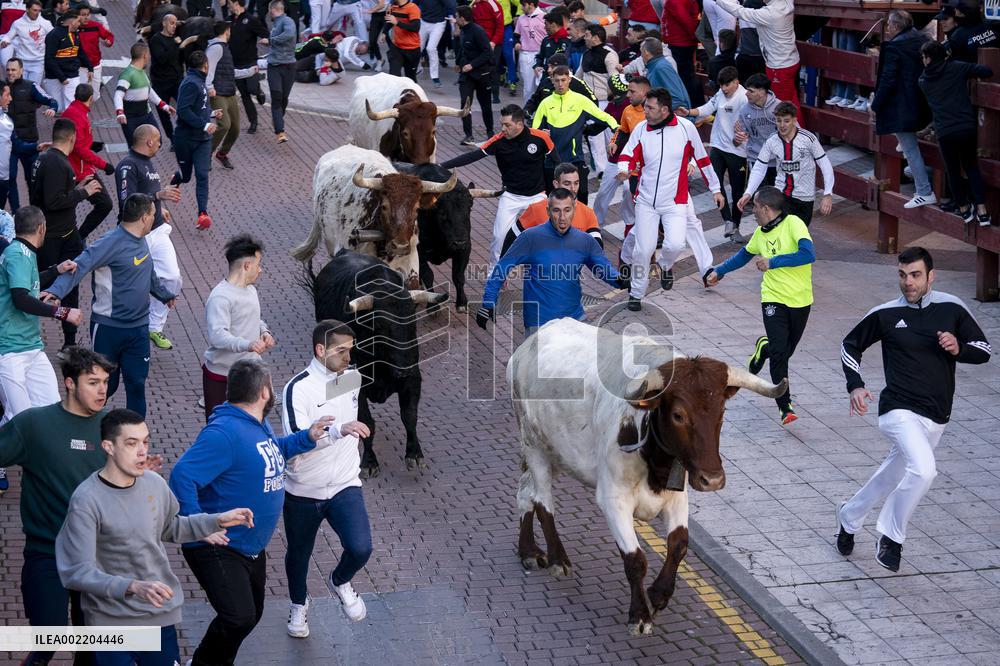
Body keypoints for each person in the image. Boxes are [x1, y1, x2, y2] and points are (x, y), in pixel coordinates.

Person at [168, 359, 336, 666]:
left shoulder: (258, 424)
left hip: (250, 547)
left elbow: (273, 453)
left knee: (250, 615)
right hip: (218, 546)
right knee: (238, 616)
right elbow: (182, 475)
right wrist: (199, 526)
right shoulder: (224, 433)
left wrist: (307, 438)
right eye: (271, 386)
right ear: (263, 392)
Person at [56, 408, 255, 666]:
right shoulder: (86, 500)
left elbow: (169, 528)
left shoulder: (154, 484)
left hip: (158, 618)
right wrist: (133, 586)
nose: (142, 451)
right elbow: (76, 572)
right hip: (110, 623)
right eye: (131, 443)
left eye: (145, 441)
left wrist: (214, 520)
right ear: (108, 447)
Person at [836, 246, 991, 572]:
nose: (908, 282)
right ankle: (890, 537)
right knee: (924, 469)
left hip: (937, 416)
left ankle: (849, 516)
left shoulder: (952, 308)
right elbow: (849, 345)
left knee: (891, 475)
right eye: (903, 275)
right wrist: (856, 385)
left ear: (930, 276)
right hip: (898, 410)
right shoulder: (885, 314)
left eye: (916, 275)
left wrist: (958, 347)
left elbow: (983, 350)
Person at [0, 347, 117, 664]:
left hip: (96, 558)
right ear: (69, 383)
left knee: (91, 650)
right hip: (47, 554)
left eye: (105, 381)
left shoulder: (112, 426)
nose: (102, 389)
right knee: (46, 642)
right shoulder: (34, 425)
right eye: (93, 382)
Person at [47, 194, 178, 417]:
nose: (157, 220)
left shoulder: (142, 240)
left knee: (137, 384)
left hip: (138, 329)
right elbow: (79, 265)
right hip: (108, 329)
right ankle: (82, 426)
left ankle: (136, 440)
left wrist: (163, 294)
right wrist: (55, 291)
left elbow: (148, 272)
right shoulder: (109, 243)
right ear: (145, 217)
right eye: (154, 216)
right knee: (106, 386)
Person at [281, 320, 373, 636]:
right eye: (341, 350)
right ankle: (298, 606)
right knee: (299, 555)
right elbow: (296, 440)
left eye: (351, 349)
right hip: (304, 491)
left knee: (361, 548)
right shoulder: (298, 388)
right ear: (320, 350)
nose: (349, 357)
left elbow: (341, 399)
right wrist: (337, 430)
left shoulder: (350, 379)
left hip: (345, 484)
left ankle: (340, 580)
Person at [705, 186, 813, 425]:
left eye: (755, 206)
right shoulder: (760, 232)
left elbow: (808, 255)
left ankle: (763, 348)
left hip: (801, 299)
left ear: (766, 208)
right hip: (773, 298)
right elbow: (744, 255)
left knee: (784, 351)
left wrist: (773, 262)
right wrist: (719, 272)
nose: (752, 211)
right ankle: (785, 407)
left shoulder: (794, 224)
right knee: (780, 358)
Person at [615, 87, 724, 310]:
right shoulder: (641, 130)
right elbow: (626, 154)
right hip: (646, 202)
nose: (644, 111)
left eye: (649, 107)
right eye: (645, 106)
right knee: (643, 250)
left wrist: (716, 188)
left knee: (674, 245)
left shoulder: (686, 128)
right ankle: (636, 294)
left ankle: (665, 265)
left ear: (664, 110)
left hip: (675, 202)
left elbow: (702, 159)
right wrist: (624, 168)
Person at [478, 187, 622, 337]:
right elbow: (501, 268)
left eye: (567, 210)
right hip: (539, 324)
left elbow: (603, 269)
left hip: (575, 320)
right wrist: (488, 303)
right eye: (556, 210)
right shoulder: (530, 238)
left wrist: (622, 281)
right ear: (548, 211)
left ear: (574, 210)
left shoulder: (584, 240)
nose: (562, 217)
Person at [441, 103, 552, 265]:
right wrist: (441, 166)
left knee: (547, 237)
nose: (503, 129)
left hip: (537, 197)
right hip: (510, 196)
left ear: (520, 124)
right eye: (501, 124)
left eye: (507, 125)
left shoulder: (541, 138)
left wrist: (555, 192)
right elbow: (473, 156)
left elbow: (556, 163)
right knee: (499, 237)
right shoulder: (498, 141)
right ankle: (497, 272)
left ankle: (546, 270)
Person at [0, 204, 80, 428]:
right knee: (20, 419)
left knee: (50, 409)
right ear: (42, 228)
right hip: (10, 352)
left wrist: (56, 270)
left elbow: (27, 286)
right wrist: (63, 312)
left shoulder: (23, 251)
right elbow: (21, 298)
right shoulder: (17, 254)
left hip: (32, 348)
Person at [29, 117, 102, 348]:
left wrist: (78, 189)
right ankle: (43, 338)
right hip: (54, 238)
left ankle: (68, 342)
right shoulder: (57, 163)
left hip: (64, 236)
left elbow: (56, 195)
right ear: (72, 138)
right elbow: (53, 201)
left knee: (66, 283)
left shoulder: (46, 159)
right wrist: (84, 193)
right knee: (47, 287)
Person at [116, 124, 183, 351]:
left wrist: (159, 206)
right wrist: (157, 195)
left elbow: (148, 193)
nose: (160, 144)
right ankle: (125, 330)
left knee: (172, 277)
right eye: (158, 140)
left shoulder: (149, 163)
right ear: (149, 141)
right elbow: (127, 202)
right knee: (132, 284)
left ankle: (154, 326)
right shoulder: (127, 165)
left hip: (157, 229)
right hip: (135, 236)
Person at [918, 40, 993, 227]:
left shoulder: (923, 81)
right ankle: (982, 210)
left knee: (952, 171)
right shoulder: (956, 67)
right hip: (966, 126)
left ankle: (963, 209)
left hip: (945, 131)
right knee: (972, 167)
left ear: (927, 59)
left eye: (923, 57)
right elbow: (985, 71)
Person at [203, 234, 275, 419]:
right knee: (220, 429)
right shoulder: (221, 297)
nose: (261, 270)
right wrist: (248, 344)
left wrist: (264, 331)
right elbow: (218, 335)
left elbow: (254, 318)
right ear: (246, 266)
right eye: (258, 264)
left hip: (250, 374)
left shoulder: (251, 290)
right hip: (223, 377)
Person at [872, 9, 934, 210]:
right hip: (921, 101)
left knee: (910, 148)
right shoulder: (922, 38)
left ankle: (924, 191)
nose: (887, 28)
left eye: (889, 25)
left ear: (897, 27)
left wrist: (876, 104)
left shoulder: (894, 48)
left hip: (902, 105)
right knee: (908, 145)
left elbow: (888, 79)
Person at [677, 65, 748, 241]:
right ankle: (728, 221)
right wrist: (689, 112)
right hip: (718, 147)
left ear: (736, 82)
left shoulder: (744, 99)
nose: (724, 89)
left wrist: (743, 136)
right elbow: (707, 108)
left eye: (727, 85)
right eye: (721, 85)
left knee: (738, 192)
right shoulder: (720, 94)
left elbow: (750, 123)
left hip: (738, 152)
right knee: (714, 184)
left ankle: (736, 226)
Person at [738, 101, 834, 227]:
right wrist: (748, 192)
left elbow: (825, 165)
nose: (782, 125)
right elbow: (759, 168)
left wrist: (828, 194)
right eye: (778, 120)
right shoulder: (772, 141)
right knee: (776, 232)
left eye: (786, 121)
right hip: (781, 195)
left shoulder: (808, 139)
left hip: (804, 198)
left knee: (796, 238)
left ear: (794, 120)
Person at [531, 64, 617, 204]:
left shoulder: (580, 100)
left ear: (569, 80)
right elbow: (534, 132)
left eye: (563, 80)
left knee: (582, 195)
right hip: (551, 161)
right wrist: (541, 133)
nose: (560, 84)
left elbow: (606, 118)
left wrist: (616, 132)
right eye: (557, 80)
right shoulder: (545, 103)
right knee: (552, 200)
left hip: (575, 159)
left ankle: (581, 225)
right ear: (552, 80)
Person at [716, 0, 799, 121]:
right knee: (792, 102)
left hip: (779, 66)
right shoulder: (786, 3)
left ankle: (793, 136)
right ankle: (799, 132)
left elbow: (740, 11)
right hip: (790, 60)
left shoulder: (769, 14)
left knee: (784, 108)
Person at [500, 161, 601, 256]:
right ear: (556, 184)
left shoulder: (588, 213)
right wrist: (502, 269)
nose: (573, 189)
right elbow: (513, 237)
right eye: (567, 184)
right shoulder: (536, 209)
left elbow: (597, 250)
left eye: (576, 183)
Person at [169, 50, 219, 231]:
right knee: (187, 175)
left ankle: (202, 214)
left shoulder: (199, 81)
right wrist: (205, 125)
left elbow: (199, 107)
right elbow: (183, 111)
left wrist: (211, 114)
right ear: (206, 65)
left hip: (203, 141)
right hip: (185, 138)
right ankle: (177, 177)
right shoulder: (190, 83)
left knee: (203, 175)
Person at [593, 74, 647, 229]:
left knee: (628, 192)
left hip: (635, 162)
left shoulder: (650, 112)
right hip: (616, 159)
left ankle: (630, 225)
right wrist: (614, 142)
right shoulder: (626, 108)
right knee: (603, 192)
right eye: (628, 91)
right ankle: (596, 226)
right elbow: (621, 130)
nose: (629, 95)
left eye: (632, 91)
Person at [60, 84, 112, 242]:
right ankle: (78, 238)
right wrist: (104, 165)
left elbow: (78, 142)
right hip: (81, 171)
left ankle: (71, 238)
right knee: (104, 204)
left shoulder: (72, 111)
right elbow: (79, 149)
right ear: (90, 98)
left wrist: (92, 145)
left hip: (75, 168)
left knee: (68, 207)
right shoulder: (79, 116)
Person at [7, 57, 58, 210]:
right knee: (9, 180)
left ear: (22, 71)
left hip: (29, 143)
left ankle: (35, 212)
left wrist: (53, 109)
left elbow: (51, 100)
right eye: (8, 69)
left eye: (14, 70)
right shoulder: (2, 88)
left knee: (33, 182)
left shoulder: (31, 87)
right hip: (8, 145)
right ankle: (17, 212)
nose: (10, 73)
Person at [114, 42, 173, 147]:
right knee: (135, 148)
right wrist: (120, 112)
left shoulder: (142, 72)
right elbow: (118, 95)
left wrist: (163, 105)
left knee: (157, 142)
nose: (150, 58)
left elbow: (149, 91)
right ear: (145, 56)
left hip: (146, 115)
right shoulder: (127, 74)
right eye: (149, 55)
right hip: (131, 119)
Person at [577, 23, 618, 176]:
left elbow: (614, 79)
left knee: (610, 136)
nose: (584, 38)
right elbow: (578, 76)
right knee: (594, 137)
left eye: (587, 35)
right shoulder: (585, 54)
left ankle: (616, 166)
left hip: (605, 102)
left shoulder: (610, 54)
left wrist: (612, 99)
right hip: (589, 103)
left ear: (595, 37)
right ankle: (602, 169)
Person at [206, 20, 246, 170]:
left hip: (229, 93)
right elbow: (208, 69)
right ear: (227, 31)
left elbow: (229, 71)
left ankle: (222, 154)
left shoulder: (224, 48)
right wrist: (209, 87)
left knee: (235, 129)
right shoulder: (216, 48)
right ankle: (206, 153)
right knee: (224, 125)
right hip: (218, 94)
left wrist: (249, 71)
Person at [454, 5, 494, 145]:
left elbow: (487, 53)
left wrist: (472, 65)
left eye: (456, 16)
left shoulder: (478, 31)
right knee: (465, 103)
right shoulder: (463, 31)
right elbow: (463, 48)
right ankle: (468, 135)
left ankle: (490, 132)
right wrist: (458, 62)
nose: (455, 19)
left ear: (462, 18)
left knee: (485, 105)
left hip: (481, 74)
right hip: (466, 76)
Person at [228, 0, 269, 134]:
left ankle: (258, 91)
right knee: (244, 95)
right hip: (236, 64)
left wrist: (267, 40)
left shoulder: (251, 20)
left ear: (236, 3)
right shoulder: (229, 20)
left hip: (250, 62)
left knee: (251, 88)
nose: (228, 6)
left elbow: (265, 33)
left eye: (229, 3)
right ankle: (253, 122)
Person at [734, 72, 778, 185]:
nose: (746, 94)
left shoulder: (779, 108)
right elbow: (736, 143)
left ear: (762, 92)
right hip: (756, 160)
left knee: (777, 197)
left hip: (777, 162)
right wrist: (737, 139)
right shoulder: (745, 111)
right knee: (760, 197)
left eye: (751, 91)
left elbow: (795, 133)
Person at [43, 9, 91, 111]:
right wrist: (61, 77)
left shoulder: (76, 34)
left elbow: (80, 52)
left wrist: (90, 68)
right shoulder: (54, 35)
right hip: (54, 76)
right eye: (78, 21)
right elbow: (49, 59)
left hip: (72, 74)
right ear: (72, 22)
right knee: (57, 107)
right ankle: (62, 125)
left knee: (72, 104)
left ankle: (74, 125)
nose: (79, 23)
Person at [148, 12, 184, 147]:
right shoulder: (156, 40)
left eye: (176, 23)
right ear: (164, 23)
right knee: (164, 113)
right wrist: (175, 45)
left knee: (184, 108)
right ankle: (172, 139)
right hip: (161, 83)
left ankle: (182, 134)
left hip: (176, 81)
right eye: (171, 23)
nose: (174, 26)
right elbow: (162, 59)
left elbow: (180, 61)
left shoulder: (177, 39)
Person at [523, 51, 597, 116]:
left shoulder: (577, 84)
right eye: (548, 67)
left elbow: (593, 102)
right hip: (546, 125)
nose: (549, 70)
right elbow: (535, 100)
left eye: (552, 67)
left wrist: (581, 121)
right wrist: (527, 111)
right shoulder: (546, 81)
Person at [661, 0, 703, 107]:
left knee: (685, 77)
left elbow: (686, 20)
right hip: (681, 41)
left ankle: (694, 105)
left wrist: (695, 36)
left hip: (680, 43)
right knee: (685, 76)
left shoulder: (676, 1)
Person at [1, 0, 52, 84]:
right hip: (22, 62)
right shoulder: (18, 23)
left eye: (39, 11)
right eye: (35, 10)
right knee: (20, 87)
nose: (37, 13)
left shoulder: (45, 23)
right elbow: (8, 36)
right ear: (27, 9)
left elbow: (53, 37)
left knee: (33, 88)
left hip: (38, 62)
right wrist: (5, 40)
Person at [267, 0, 296, 144]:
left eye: (269, 11)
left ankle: (277, 118)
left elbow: (290, 34)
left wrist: (271, 40)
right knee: (277, 97)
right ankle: (280, 131)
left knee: (284, 99)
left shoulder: (287, 21)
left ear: (273, 10)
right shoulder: (276, 24)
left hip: (289, 66)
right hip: (274, 66)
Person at [639, 37, 689, 111]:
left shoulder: (661, 67)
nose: (641, 56)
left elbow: (678, 99)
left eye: (641, 52)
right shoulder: (655, 66)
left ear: (646, 53)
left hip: (675, 117)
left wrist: (657, 111)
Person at [74, 3, 111, 102]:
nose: (86, 17)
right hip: (80, 66)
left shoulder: (96, 26)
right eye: (83, 14)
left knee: (94, 96)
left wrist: (108, 42)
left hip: (95, 65)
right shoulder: (73, 28)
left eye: (88, 14)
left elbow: (109, 36)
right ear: (77, 15)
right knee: (81, 95)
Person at [471, 0, 503, 101]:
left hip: (493, 43)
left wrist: (493, 42)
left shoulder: (494, 5)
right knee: (479, 67)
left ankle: (495, 94)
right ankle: (481, 91)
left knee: (493, 68)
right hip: (479, 42)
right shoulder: (474, 4)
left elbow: (500, 26)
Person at [514, 0, 544, 103]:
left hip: (541, 55)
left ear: (531, 4)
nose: (522, 7)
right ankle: (528, 113)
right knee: (527, 88)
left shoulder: (544, 17)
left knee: (541, 86)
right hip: (525, 55)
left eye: (524, 5)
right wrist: (516, 43)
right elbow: (516, 36)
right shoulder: (521, 19)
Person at [417, 0, 453, 87]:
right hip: (423, 22)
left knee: (431, 48)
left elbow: (452, 5)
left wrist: (454, 19)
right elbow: (413, 4)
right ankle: (417, 68)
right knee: (417, 47)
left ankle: (435, 77)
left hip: (438, 23)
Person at [386, 0, 421, 80]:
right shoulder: (393, 6)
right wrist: (384, 33)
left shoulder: (413, 8)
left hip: (412, 49)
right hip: (396, 47)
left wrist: (397, 23)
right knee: (393, 76)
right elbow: (390, 21)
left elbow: (416, 27)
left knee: (410, 79)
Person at [532, 8, 568, 75]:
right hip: (547, 75)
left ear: (553, 24)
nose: (545, 28)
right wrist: (537, 65)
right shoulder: (546, 40)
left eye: (546, 24)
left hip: (563, 77)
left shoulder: (568, 40)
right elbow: (540, 56)